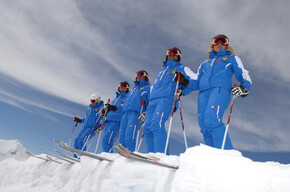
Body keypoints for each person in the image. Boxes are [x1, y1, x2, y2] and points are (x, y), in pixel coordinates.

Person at [196, 34, 252, 149]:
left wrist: (244, 87)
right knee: (204, 126)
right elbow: (196, 81)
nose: (220, 44)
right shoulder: (204, 63)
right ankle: (212, 157)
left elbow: (243, 73)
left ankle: (227, 155)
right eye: (217, 41)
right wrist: (183, 85)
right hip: (203, 94)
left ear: (227, 45)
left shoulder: (231, 58)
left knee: (212, 120)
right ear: (212, 45)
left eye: (223, 41)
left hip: (219, 90)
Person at [143, 47, 198, 154]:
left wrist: (184, 83)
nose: (172, 55)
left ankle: (161, 155)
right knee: (147, 128)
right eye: (170, 53)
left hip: (167, 99)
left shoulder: (182, 68)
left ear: (179, 57)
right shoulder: (162, 72)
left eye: (175, 53)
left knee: (156, 124)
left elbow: (196, 82)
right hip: (153, 101)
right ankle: (151, 155)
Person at [119, 70, 151, 152]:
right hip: (125, 114)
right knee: (122, 135)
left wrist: (146, 113)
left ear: (146, 77)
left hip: (135, 114)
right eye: (137, 74)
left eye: (141, 74)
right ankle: (122, 153)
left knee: (130, 134)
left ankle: (130, 152)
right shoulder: (132, 90)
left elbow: (151, 102)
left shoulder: (148, 88)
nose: (139, 76)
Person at [101, 81, 129, 153]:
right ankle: (108, 155)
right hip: (108, 121)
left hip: (116, 121)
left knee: (107, 139)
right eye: (121, 85)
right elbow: (111, 109)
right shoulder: (115, 99)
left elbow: (126, 108)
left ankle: (109, 155)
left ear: (127, 88)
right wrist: (105, 112)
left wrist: (114, 108)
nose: (122, 87)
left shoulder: (128, 97)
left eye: (124, 85)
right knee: (105, 140)